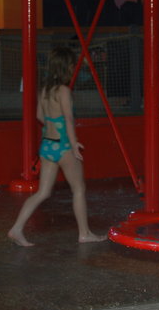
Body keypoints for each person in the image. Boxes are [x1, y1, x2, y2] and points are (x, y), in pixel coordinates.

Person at [8, 47, 106, 247]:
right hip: (63, 146)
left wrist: (53, 125)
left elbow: (39, 116)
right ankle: (85, 233)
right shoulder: (64, 91)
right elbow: (69, 118)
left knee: (42, 192)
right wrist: (74, 143)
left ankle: (16, 228)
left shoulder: (44, 90)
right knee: (79, 189)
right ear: (66, 67)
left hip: (47, 145)